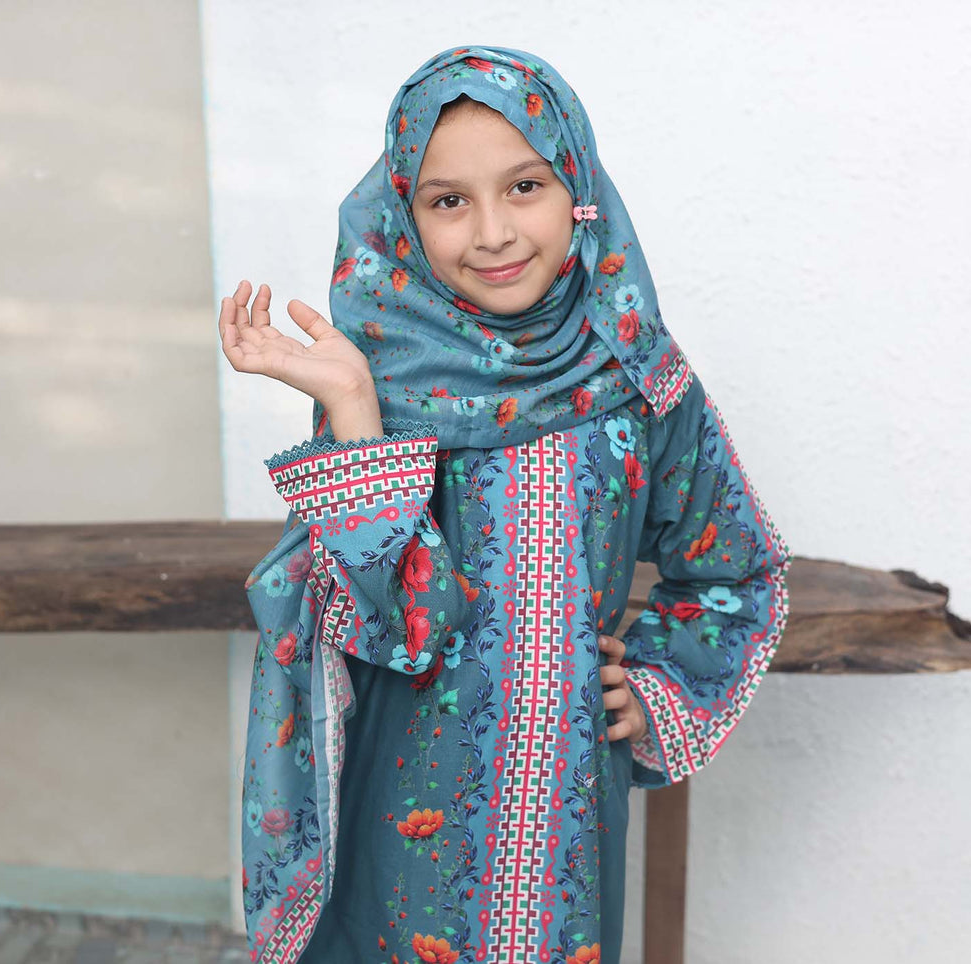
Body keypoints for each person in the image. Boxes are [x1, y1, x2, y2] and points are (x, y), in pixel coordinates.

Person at [218, 44, 793, 964]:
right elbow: (388, 627)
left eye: (523, 186)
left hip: (567, 804)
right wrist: (355, 415)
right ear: (404, 220)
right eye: (449, 200)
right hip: (398, 806)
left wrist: (653, 689)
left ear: (579, 188)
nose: (491, 231)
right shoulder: (385, 383)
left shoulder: (639, 377)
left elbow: (735, 567)